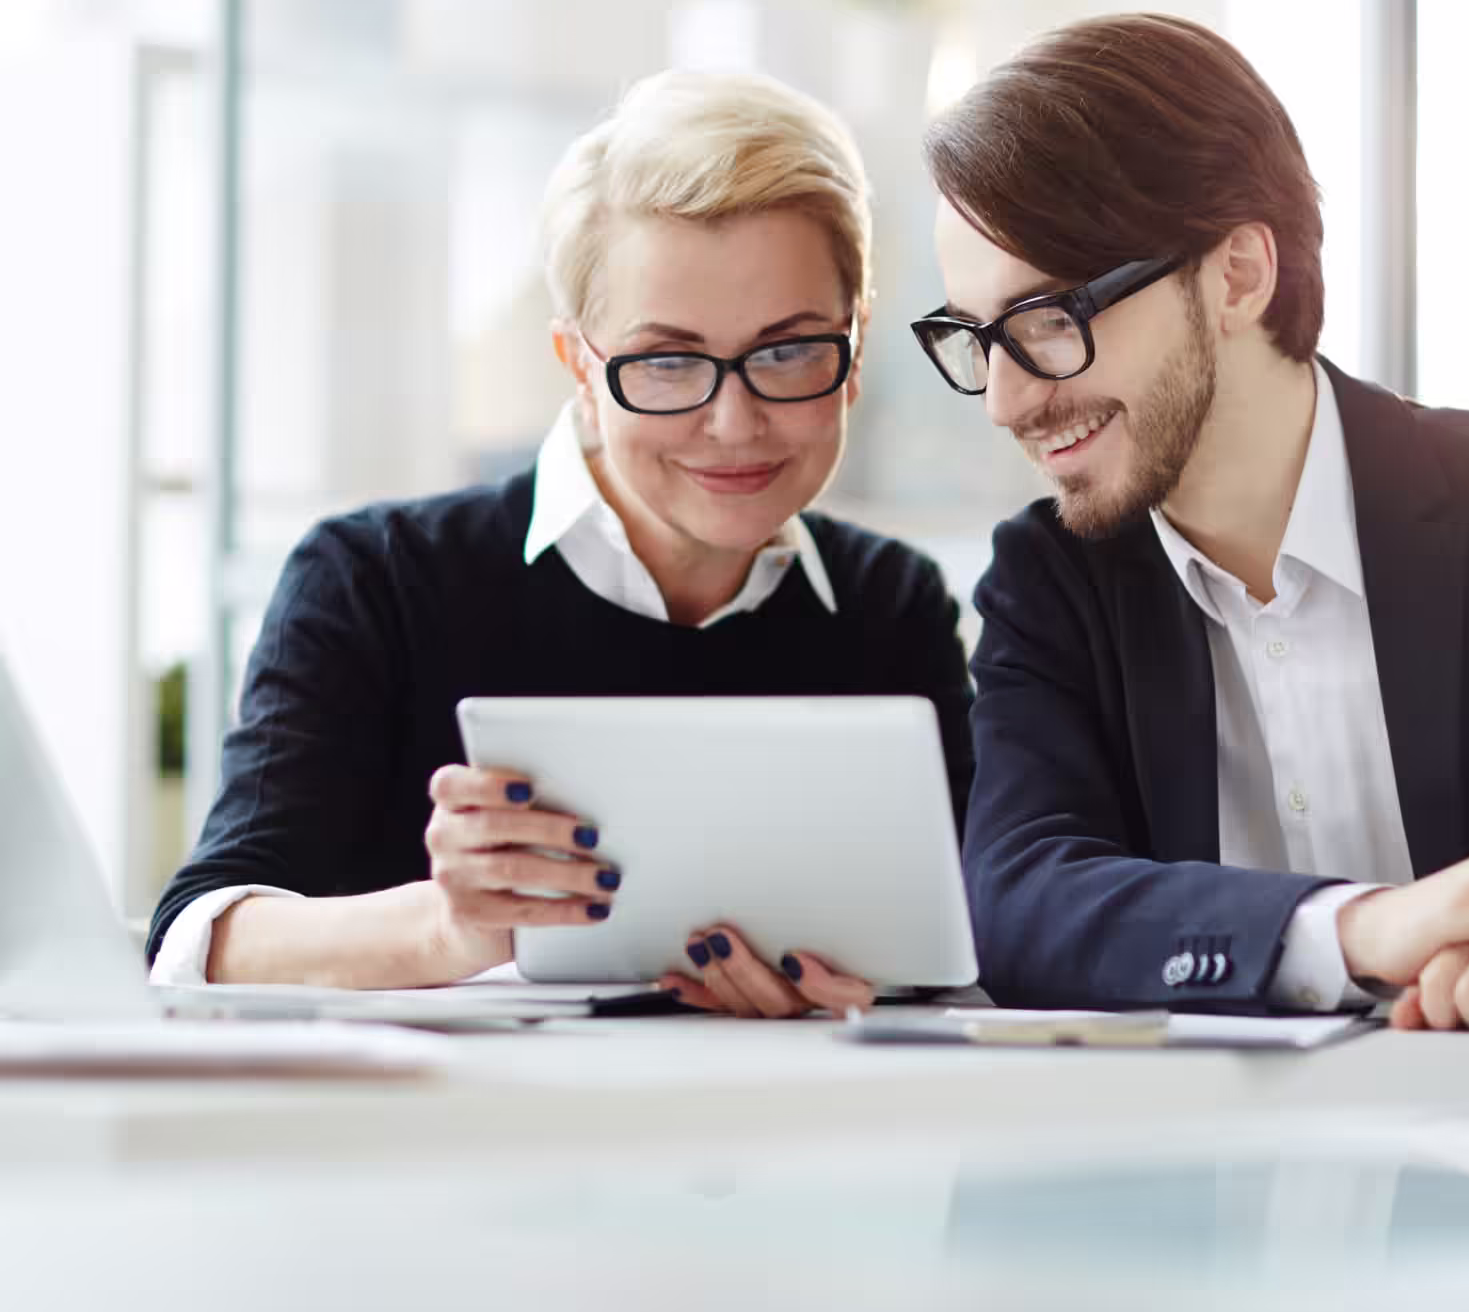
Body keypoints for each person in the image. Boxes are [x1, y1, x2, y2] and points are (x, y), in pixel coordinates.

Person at [149, 69, 973, 1018]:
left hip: (785, 1138)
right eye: (667, 362)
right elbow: (200, 939)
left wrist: (879, 983)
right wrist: (451, 930)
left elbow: (958, 939)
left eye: (788, 351)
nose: (735, 422)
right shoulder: (378, 580)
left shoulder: (891, 605)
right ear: (578, 363)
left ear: (856, 345)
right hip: (457, 1147)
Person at [911, 12, 1469, 1035]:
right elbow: (1020, 905)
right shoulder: (1050, 581)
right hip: (1215, 1183)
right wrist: (1355, 928)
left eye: (1049, 319)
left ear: (1237, 275)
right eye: (976, 335)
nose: (1003, 399)